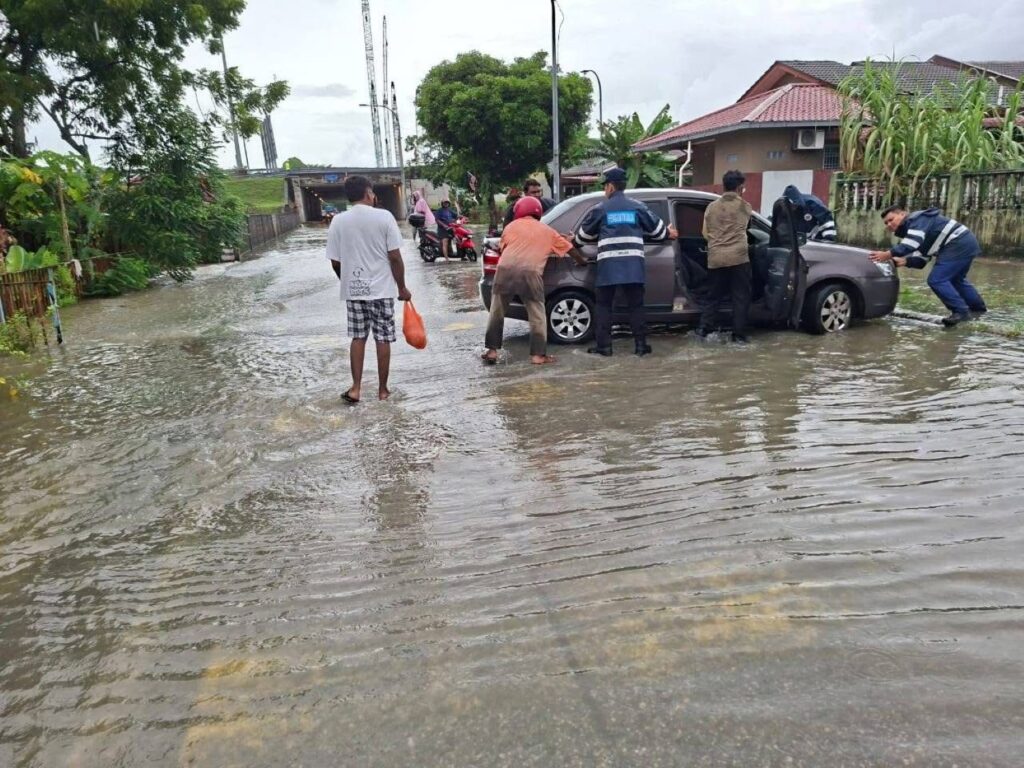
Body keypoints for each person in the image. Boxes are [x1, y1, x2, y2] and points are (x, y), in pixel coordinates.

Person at [573, 167, 677, 356]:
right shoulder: (638, 207)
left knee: (604, 306)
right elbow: (660, 233)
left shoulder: (600, 209)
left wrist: (572, 238)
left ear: (611, 187)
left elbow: (580, 239)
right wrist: (670, 232)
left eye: (605, 186)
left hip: (608, 268)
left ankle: (604, 347)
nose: (605, 190)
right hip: (632, 267)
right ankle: (640, 347)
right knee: (636, 306)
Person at [326, 175, 412, 403]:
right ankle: (383, 391)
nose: (374, 196)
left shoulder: (338, 221)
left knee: (358, 337)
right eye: (373, 193)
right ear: (367, 193)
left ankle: (355, 388)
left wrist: (346, 282)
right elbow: (395, 257)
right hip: (382, 291)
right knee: (382, 339)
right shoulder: (384, 217)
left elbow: (335, 262)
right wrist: (402, 288)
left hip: (354, 291)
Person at [483, 196, 586, 365]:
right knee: (537, 314)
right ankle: (538, 356)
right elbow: (571, 249)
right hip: (530, 273)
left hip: (504, 271)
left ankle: (492, 351)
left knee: (497, 312)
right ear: (538, 212)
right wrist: (581, 261)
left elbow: (504, 248)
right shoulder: (548, 232)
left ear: (519, 212)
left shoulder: (510, 227)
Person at [869, 204, 987, 327]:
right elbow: (922, 259)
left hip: (957, 243)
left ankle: (961, 312)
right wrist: (905, 262)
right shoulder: (916, 228)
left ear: (902, 214)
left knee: (936, 280)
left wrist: (887, 254)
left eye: (891, 220)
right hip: (965, 243)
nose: (888, 225)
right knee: (956, 279)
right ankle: (978, 309)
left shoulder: (916, 220)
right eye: (886, 223)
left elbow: (911, 244)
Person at [700, 170, 754, 343]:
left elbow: (704, 233)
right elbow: (748, 229)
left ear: (724, 186)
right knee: (740, 297)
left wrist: (718, 243)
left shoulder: (711, 207)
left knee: (713, 297)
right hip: (739, 258)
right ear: (740, 188)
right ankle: (738, 336)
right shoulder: (745, 206)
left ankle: (705, 330)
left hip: (716, 259)